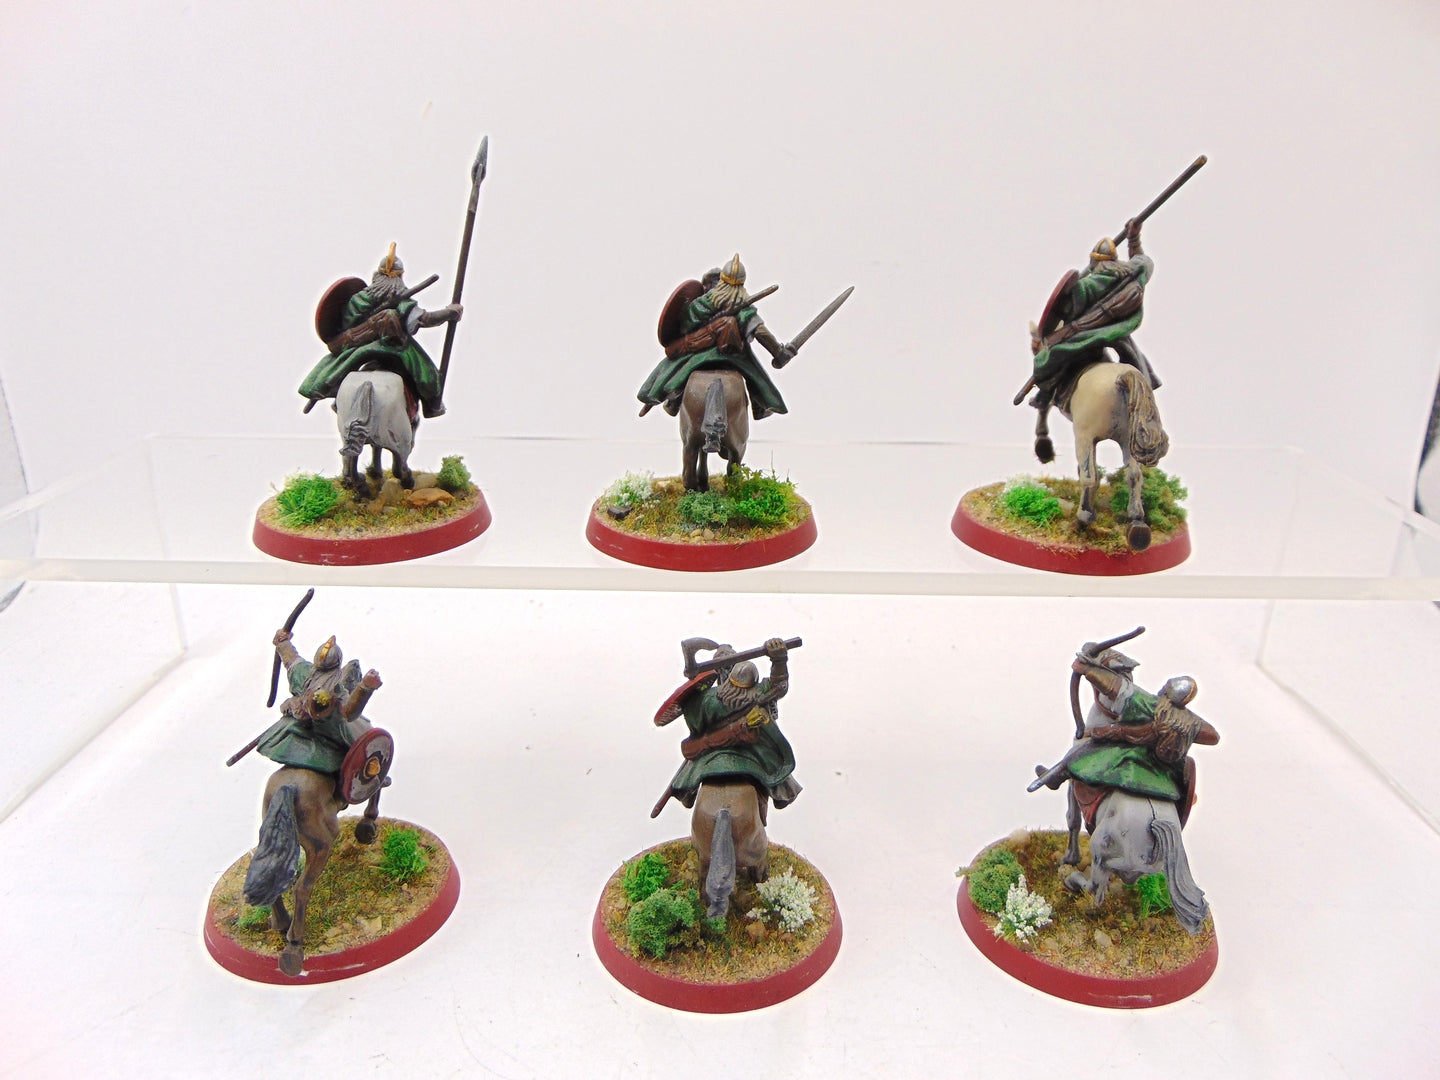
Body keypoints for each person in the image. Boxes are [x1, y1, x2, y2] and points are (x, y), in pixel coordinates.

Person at [1030, 652, 1218, 828]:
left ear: (1167, 691)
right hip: (1166, 768)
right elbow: (1213, 736)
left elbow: (1115, 688)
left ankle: (1056, 777)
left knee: (1082, 754)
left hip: (1134, 753)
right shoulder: (1187, 719)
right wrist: (1181, 723)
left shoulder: (1149, 703)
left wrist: (1087, 670)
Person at [299, 244, 462, 419]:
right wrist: (449, 312)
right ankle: (432, 405)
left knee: (337, 369)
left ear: (377, 275)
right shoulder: (400, 303)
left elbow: (345, 324)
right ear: (400, 277)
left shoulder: (358, 299)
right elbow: (424, 319)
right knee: (424, 372)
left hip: (357, 349)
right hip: (392, 347)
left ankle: (339, 398)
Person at [1028, 219, 1160, 416]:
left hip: (1086, 333)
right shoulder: (1134, 273)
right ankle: (1148, 380)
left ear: (1094, 263)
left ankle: (1044, 394)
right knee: (1133, 354)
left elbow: (1067, 313)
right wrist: (1134, 238)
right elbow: (1142, 259)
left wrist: (1068, 295)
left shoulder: (1085, 287)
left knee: (1045, 359)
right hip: (1119, 331)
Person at [637, 254, 794, 420]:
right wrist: (779, 353)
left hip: (697, 353)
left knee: (674, 367)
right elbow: (760, 332)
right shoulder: (744, 309)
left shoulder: (701, 303)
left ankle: (672, 399)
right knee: (756, 376)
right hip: (732, 355)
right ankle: (761, 405)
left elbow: (684, 327)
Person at [659, 637, 801, 816]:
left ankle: (689, 792)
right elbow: (778, 685)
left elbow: (778, 685)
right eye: (724, 666)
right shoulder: (711, 698)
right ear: (717, 669)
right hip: (747, 751)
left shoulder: (704, 699)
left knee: (691, 773)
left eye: (729, 665)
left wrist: (779, 660)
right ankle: (776, 798)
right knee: (775, 769)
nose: (727, 670)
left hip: (723, 751)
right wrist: (779, 660)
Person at [254, 629, 380, 775]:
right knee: (363, 740)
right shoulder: (321, 680)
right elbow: (349, 712)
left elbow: (292, 660)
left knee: (361, 737)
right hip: (319, 727)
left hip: (315, 725)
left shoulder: (317, 677)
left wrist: (283, 642)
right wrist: (365, 687)